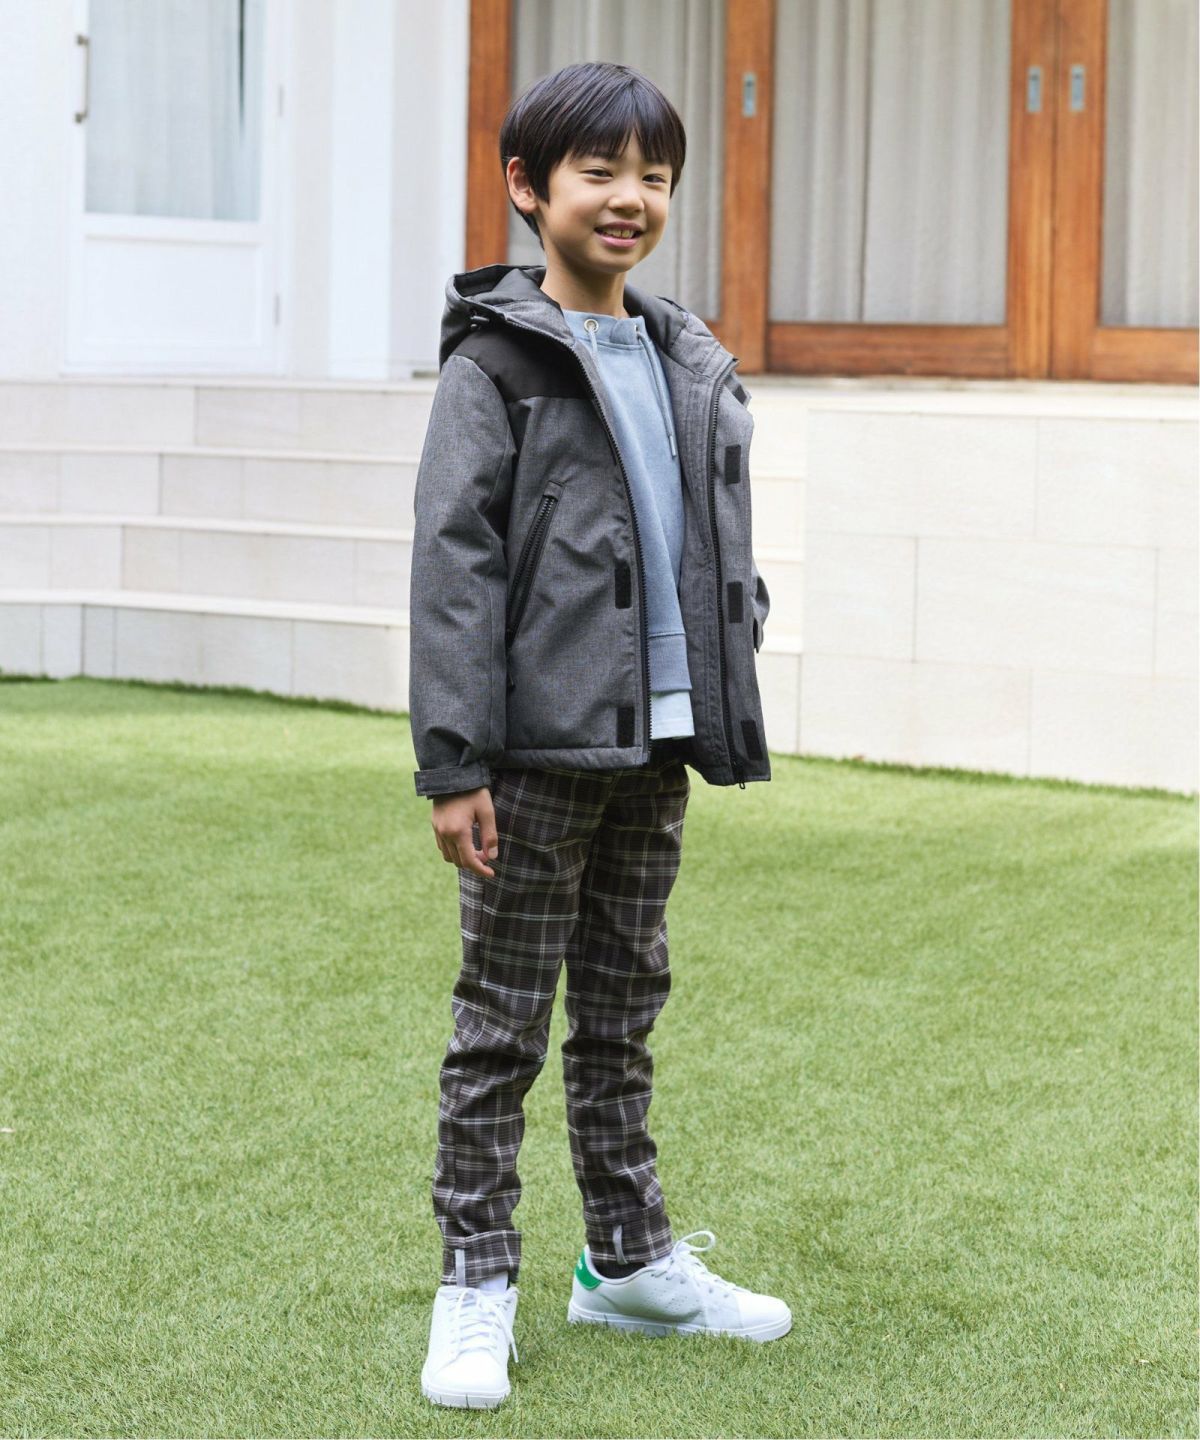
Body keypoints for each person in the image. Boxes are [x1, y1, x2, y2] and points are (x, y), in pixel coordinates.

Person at [410, 60, 785, 1411]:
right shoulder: (496, 365)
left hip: (660, 743)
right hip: (534, 756)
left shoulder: (685, 355)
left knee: (623, 1016)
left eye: (655, 176)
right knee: (500, 1029)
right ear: (529, 188)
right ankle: (476, 1283)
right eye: (601, 172)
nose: (631, 198)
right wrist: (454, 762)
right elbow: (453, 569)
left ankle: (626, 1263)